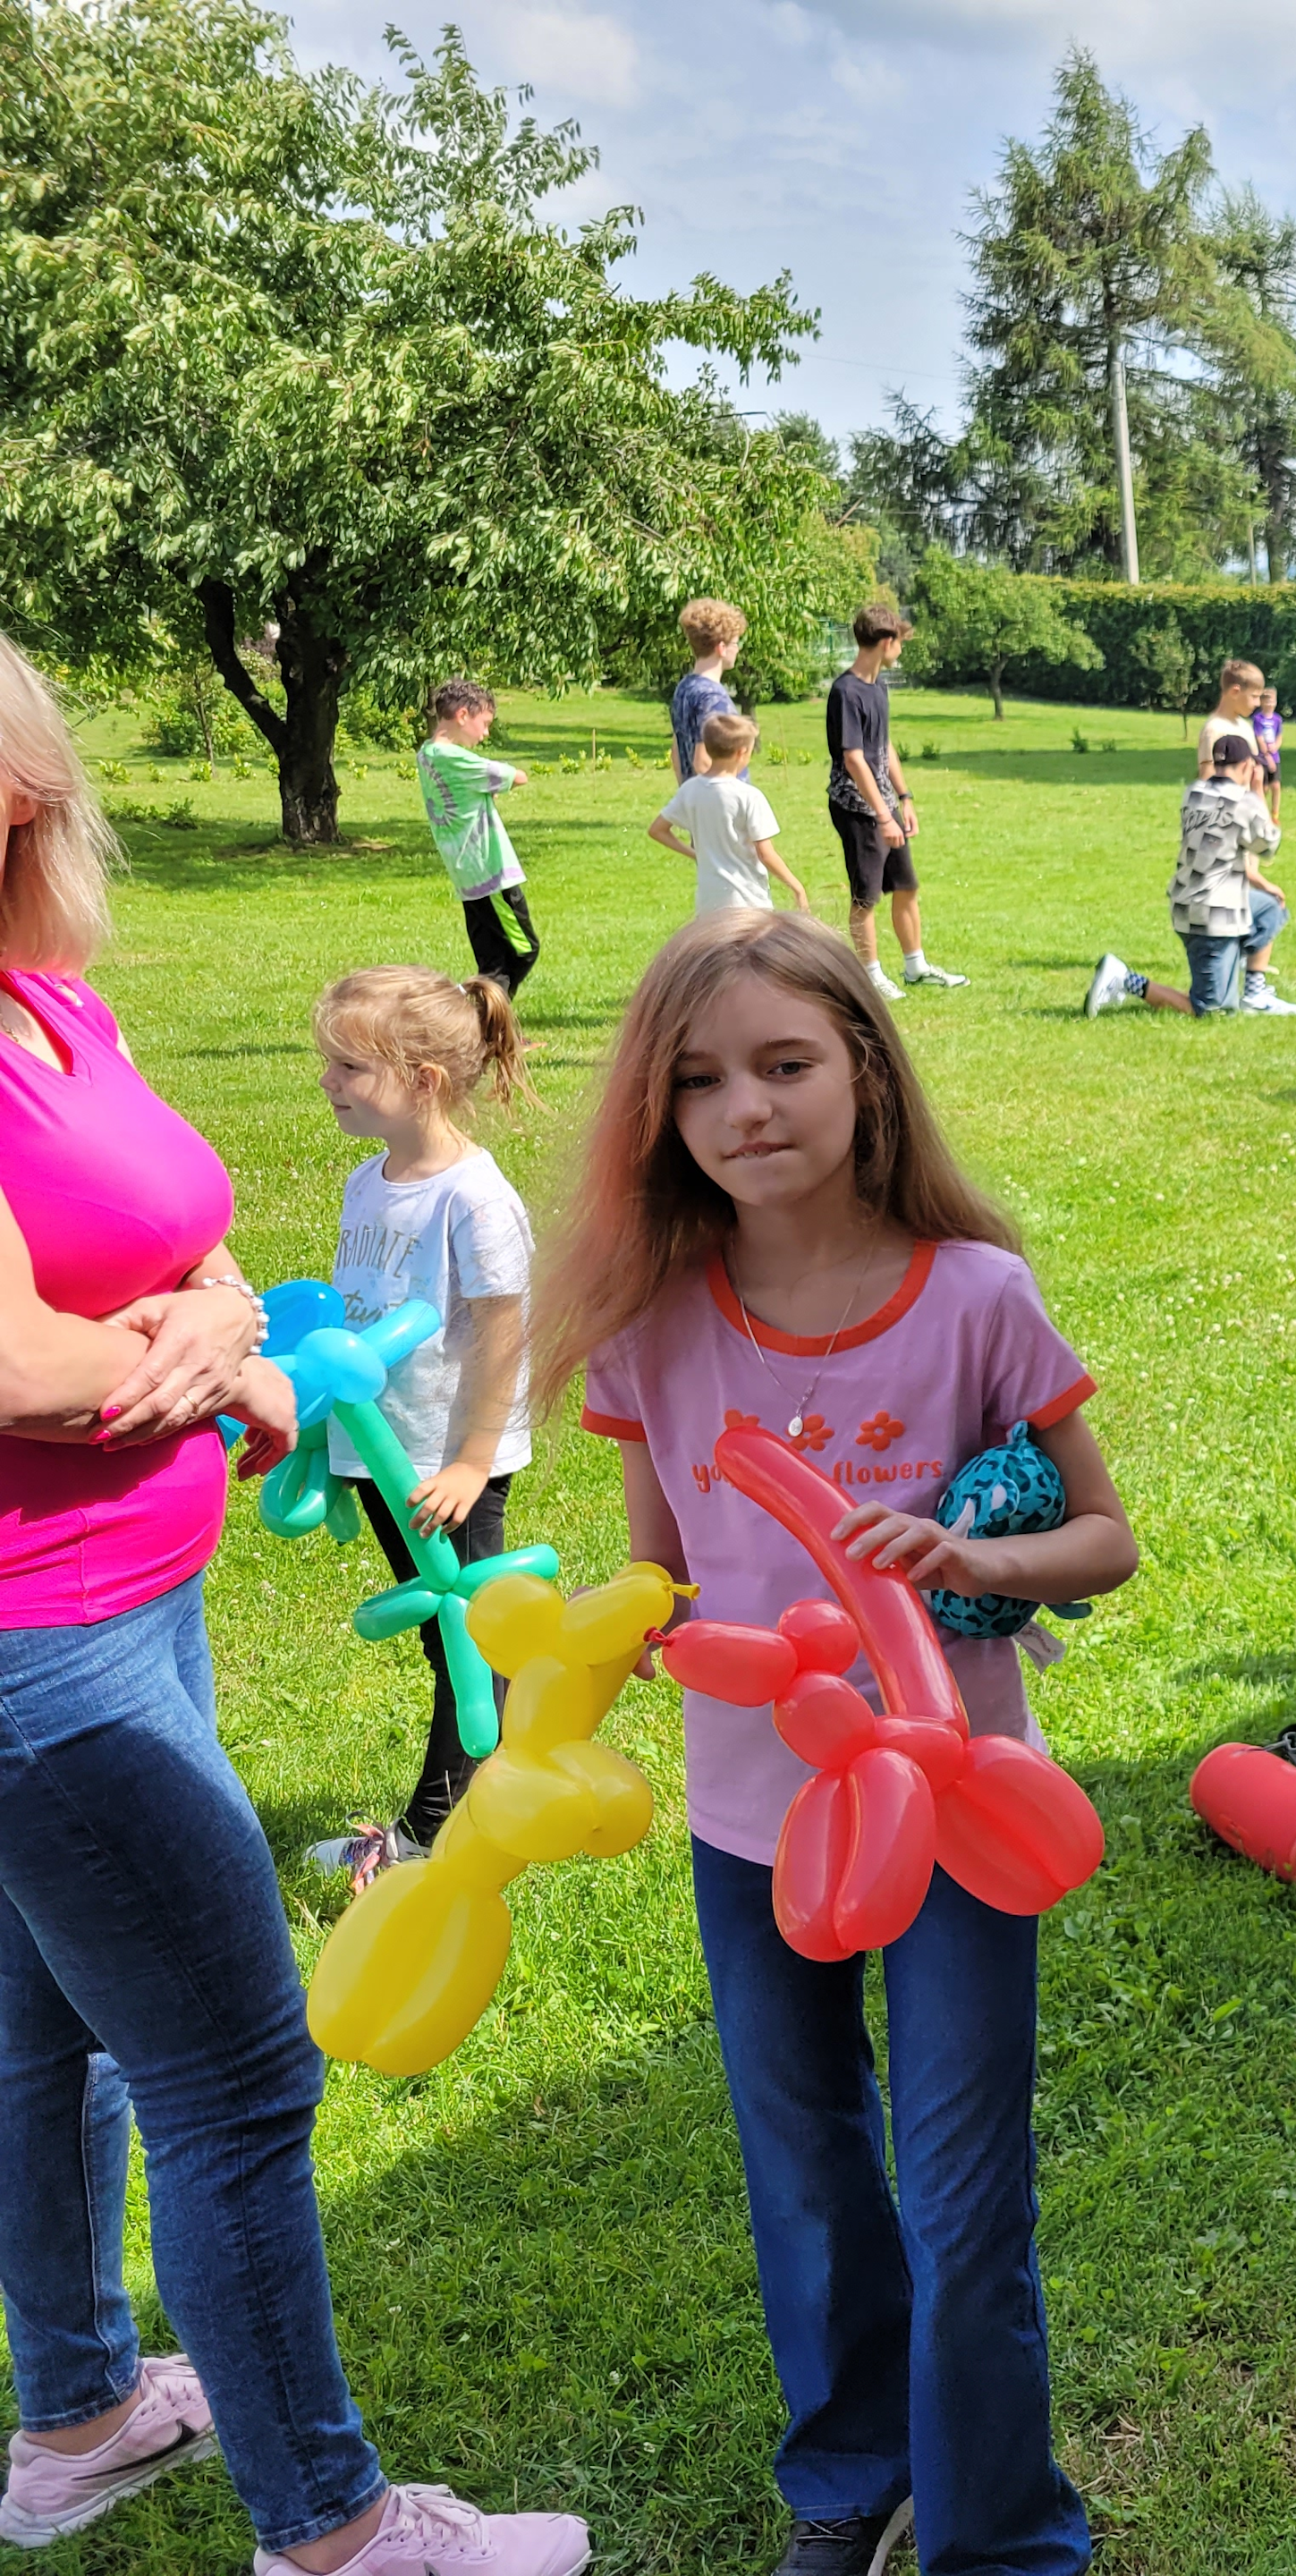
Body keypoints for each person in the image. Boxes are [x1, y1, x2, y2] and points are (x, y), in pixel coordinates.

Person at [0, 628, 588, 2567]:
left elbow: (188, 1240)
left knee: (50, 2034)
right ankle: (334, 2534)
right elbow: (11, 1362)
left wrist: (216, 1310)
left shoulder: (49, 1002)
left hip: (123, 1597)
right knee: (237, 2070)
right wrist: (193, 1360)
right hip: (34, 1637)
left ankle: (80, 2415)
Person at [535, 909, 1137, 2574]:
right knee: (802, 2170)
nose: (746, 1108)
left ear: (865, 1069)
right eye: (699, 1082)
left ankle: (1001, 2537)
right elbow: (657, 1570)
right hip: (754, 1829)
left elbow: (1104, 1542)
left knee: (961, 2196)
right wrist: (599, 1640)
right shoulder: (654, 1323)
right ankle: (850, 2477)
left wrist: (973, 1560)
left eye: (786, 1063)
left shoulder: (978, 1298)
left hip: (958, 1818)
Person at [304, 964, 540, 1882]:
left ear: (424, 1081)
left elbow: (504, 1336)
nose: (327, 1080)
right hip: (385, 1450)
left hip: (445, 1462)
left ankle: (437, 1834)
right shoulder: (369, 1180)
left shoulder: (472, 1198)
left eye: (349, 1066)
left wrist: (474, 1462)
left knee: (466, 1636)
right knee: (449, 1634)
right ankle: (494, 1795)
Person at [1088, 730, 1292, 1018]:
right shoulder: (1243, 802)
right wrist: (1258, 791)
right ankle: (1124, 979)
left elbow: (1218, 852)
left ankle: (1255, 993)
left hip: (1186, 903)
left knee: (1269, 907)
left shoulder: (1193, 793)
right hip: (1214, 917)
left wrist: (1262, 884)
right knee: (1210, 1009)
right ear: (1248, 765)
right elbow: (1268, 846)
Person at [829, 605, 963, 998]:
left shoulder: (879, 688)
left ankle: (915, 967)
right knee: (866, 895)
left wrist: (904, 799)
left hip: (884, 804)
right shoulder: (845, 692)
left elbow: (883, 747)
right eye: (900, 642)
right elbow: (854, 759)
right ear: (886, 642)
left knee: (906, 885)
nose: (901, 650)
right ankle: (870, 977)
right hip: (856, 807)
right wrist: (882, 816)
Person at [413, 679, 538, 1000]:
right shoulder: (454, 757)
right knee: (523, 950)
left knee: (492, 961)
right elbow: (517, 777)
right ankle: (463, 1009)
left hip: (467, 874)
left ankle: (485, 1023)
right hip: (490, 871)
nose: (485, 734)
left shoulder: (427, 754)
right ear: (463, 715)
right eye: (485, 724)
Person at [651, 712, 808, 917]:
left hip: (709, 901)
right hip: (749, 901)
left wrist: (696, 854)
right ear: (741, 753)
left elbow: (657, 830)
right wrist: (797, 887)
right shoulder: (749, 796)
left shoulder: (690, 790)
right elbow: (765, 853)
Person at [671, 596, 746, 781]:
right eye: (735, 643)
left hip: (693, 795)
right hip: (720, 798)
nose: (737, 649)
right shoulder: (713, 697)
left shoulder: (685, 688)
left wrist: (687, 794)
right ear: (721, 648)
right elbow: (703, 763)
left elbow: (676, 753)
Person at [1251, 683, 1285, 823]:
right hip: (1262, 758)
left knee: (1276, 786)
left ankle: (1275, 814)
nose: (1270, 704)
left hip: (1275, 757)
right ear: (1262, 702)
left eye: (1272, 701)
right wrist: (1267, 756)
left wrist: (1275, 747)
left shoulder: (1277, 719)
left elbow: (1279, 737)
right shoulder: (1258, 719)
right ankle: (1259, 812)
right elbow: (1259, 738)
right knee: (1263, 788)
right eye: (1267, 701)